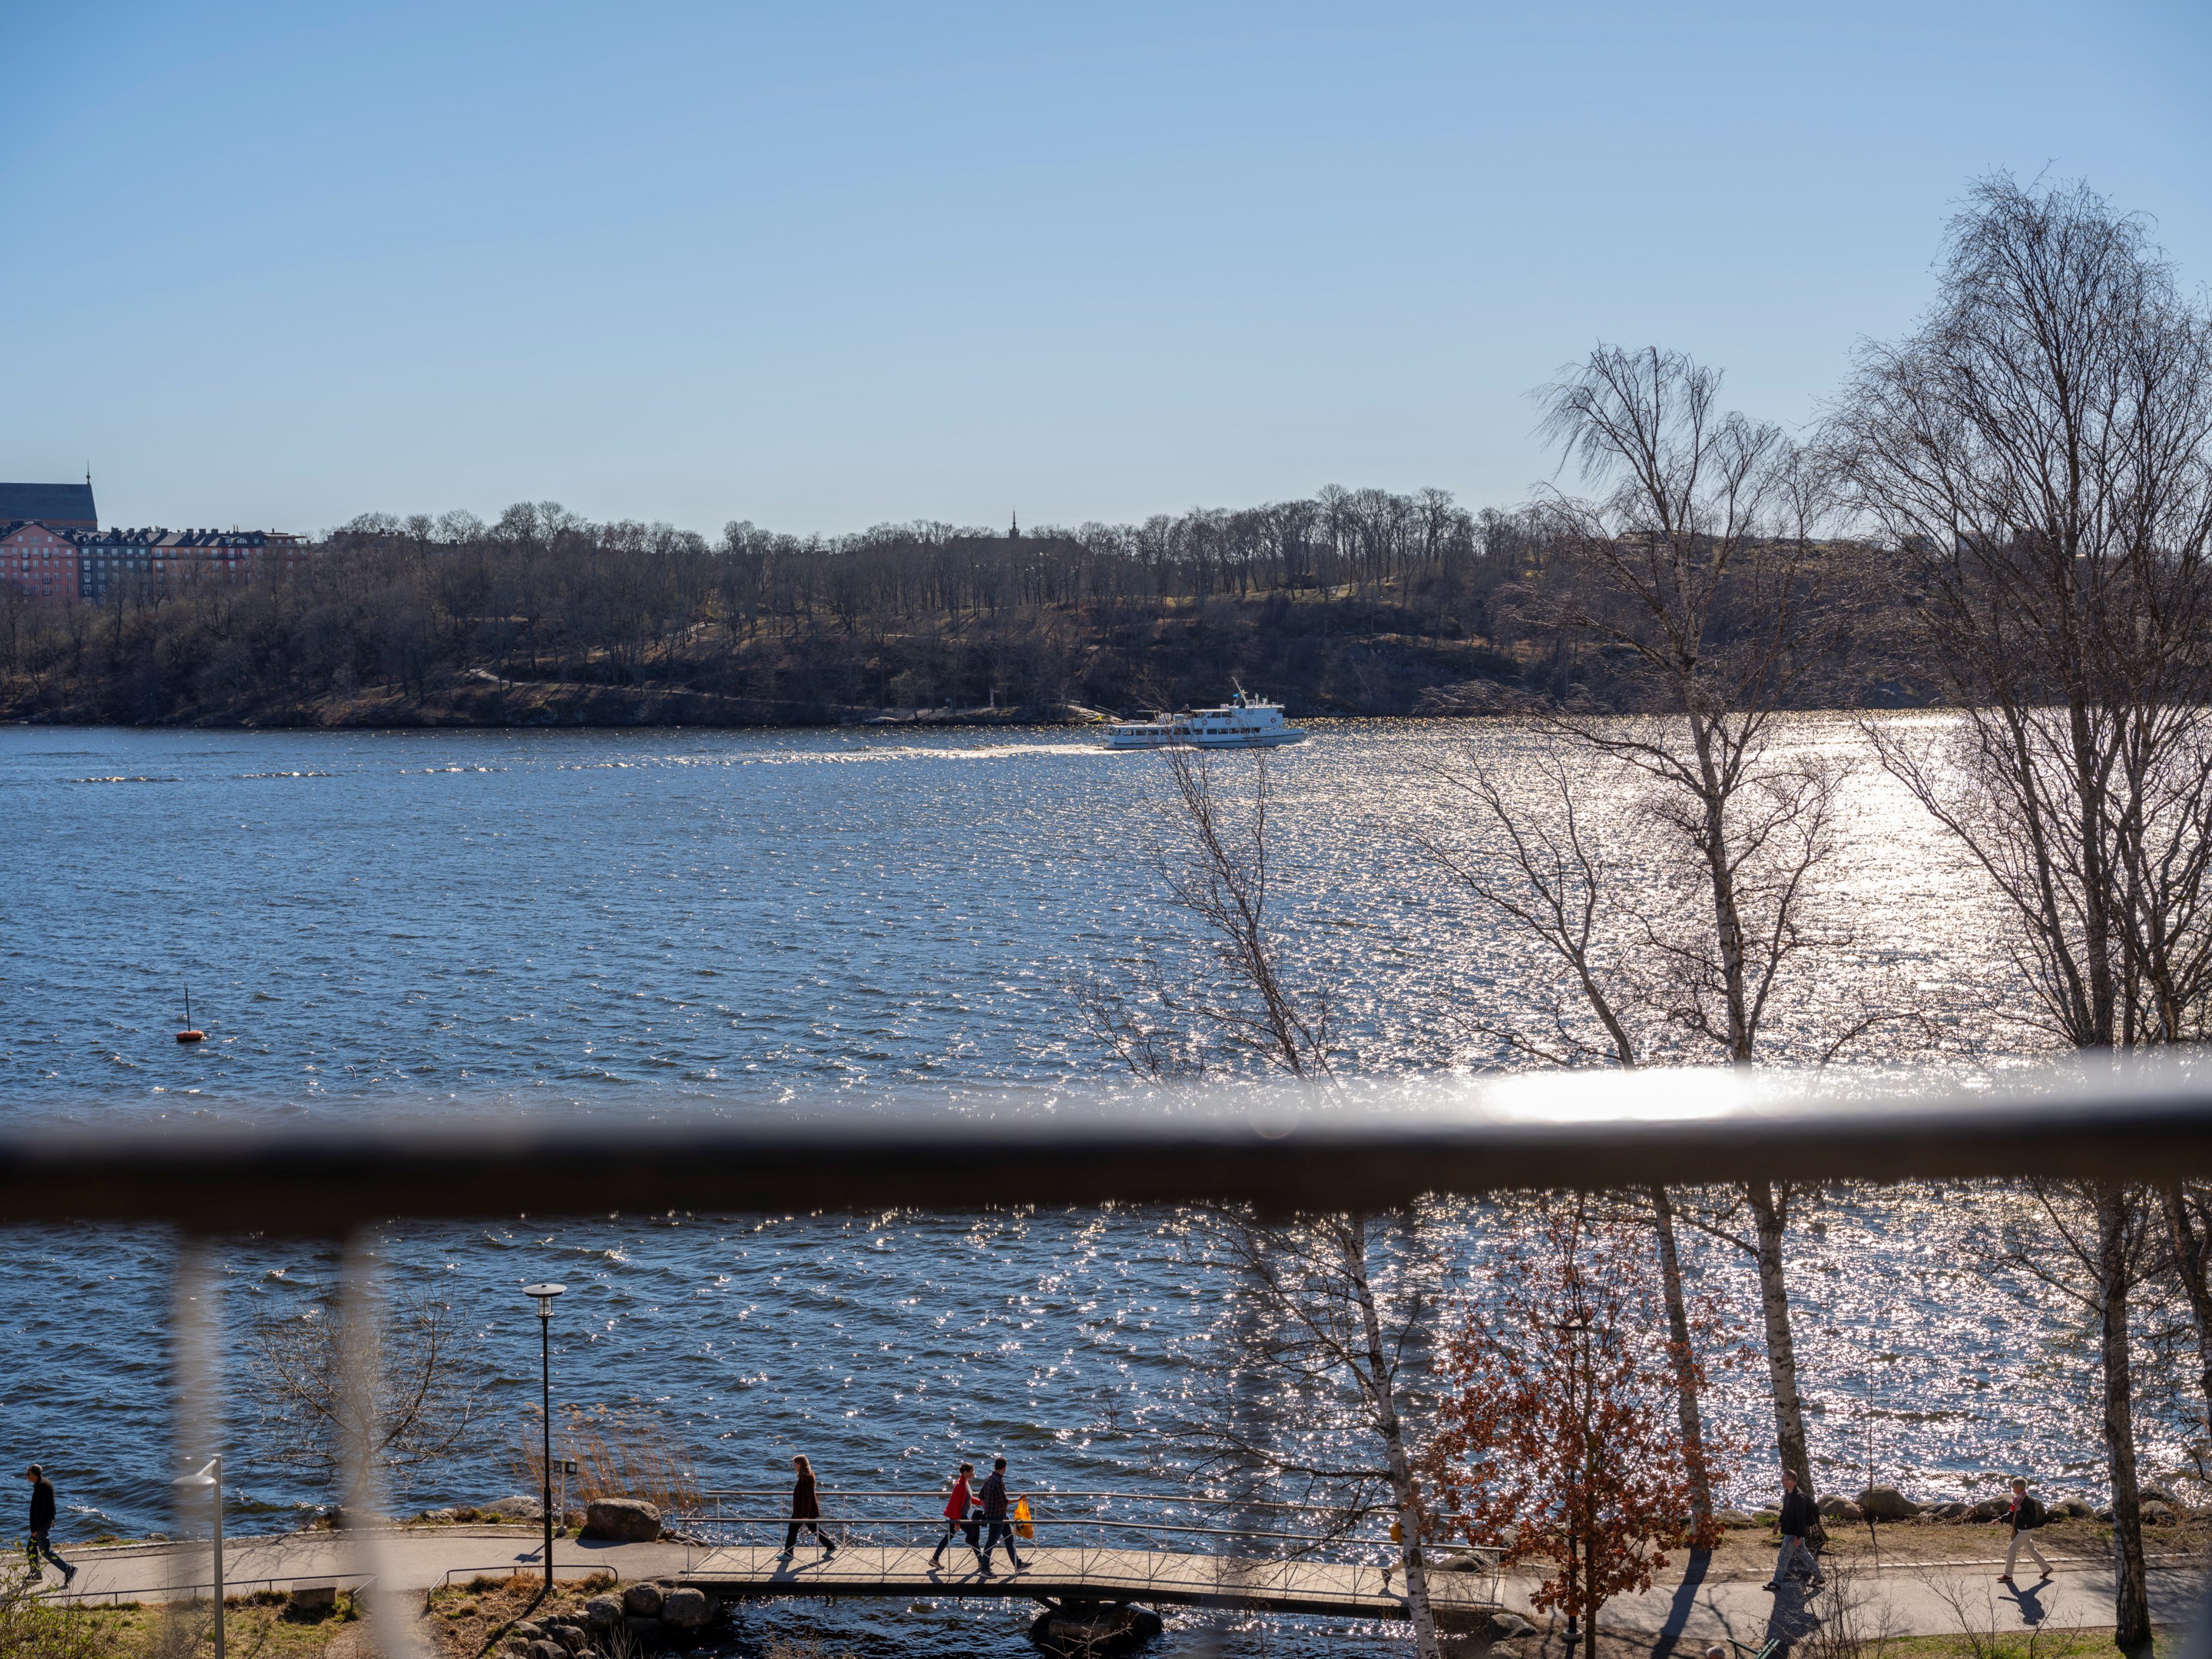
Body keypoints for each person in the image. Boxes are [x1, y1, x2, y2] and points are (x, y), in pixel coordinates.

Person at [1767, 1469, 1823, 1591]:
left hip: (1794, 1533)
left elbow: (1801, 1519)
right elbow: (1785, 1511)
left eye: (1784, 1479)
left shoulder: (1798, 1497)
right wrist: (1778, 1524)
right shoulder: (1788, 1493)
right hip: (1790, 1531)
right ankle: (1819, 1577)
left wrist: (1798, 1537)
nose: (1781, 1481)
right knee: (1804, 1555)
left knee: (1783, 1557)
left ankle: (1776, 1583)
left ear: (1791, 1481)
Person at [25, 1465, 75, 1588]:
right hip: (44, 1522)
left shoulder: (41, 1486)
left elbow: (40, 1511)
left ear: (34, 1476)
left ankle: (68, 1569)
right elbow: (51, 1503)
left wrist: (35, 1529)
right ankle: (36, 1573)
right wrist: (53, 1517)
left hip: (41, 1526)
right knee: (31, 1548)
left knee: (45, 1551)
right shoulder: (45, 1483)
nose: (26, 1476)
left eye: (28, 1474)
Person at [977, 1455, 1027, 1574]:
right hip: (998, 1517)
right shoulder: (998, 1481)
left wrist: (987, 1510)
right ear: (1005, 1467)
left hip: (1001, 1515)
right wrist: (1019, 1499)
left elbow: (981, 1496)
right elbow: (1005, 1501)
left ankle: (1018, 1564)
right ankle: (985, 1569)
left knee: (1009, 1539)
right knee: (991, 1542)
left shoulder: (989, 1478)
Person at [1998, 1478, 2052, 1585]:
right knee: (2031, 1550)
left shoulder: (2029, 1501)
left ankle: (2008, 1575)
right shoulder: (2017, 1498)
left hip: (2026, 1530)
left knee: (2012, 1549)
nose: (2012, 1487)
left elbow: (2032, 1518)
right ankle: (2047, 1569)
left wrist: (2021, 1510)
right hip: (2021, 1529)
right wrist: (2000, 1519)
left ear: (2020, 1487)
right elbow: (2011, 1512)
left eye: (2014, 1486)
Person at [781, 1454, 835, 1558]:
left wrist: (805, 1515)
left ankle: (788, 1553)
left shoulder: (805, 1478)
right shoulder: (809, 1475)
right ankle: (830, 1546)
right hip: (806, 1511)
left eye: (795, 1464)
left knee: (792, 1529)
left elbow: (807, 1498)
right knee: (815, 1529)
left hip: (802, 1512)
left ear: (800, 1464)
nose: (794, 1466)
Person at [930, 1462, 980, 1568]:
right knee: (973, 1536)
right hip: (959, 1517)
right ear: (965, 1472)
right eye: (972, 1472)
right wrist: (957, 1523)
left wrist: (982, 1502)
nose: (973, 1474)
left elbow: (969, 1499)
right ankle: (982, 1562)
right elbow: (957, 1506)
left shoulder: (966, 1483)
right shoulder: (959, 1486)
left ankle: (935, 1559)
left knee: (947, 1538)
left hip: (959, 1516)